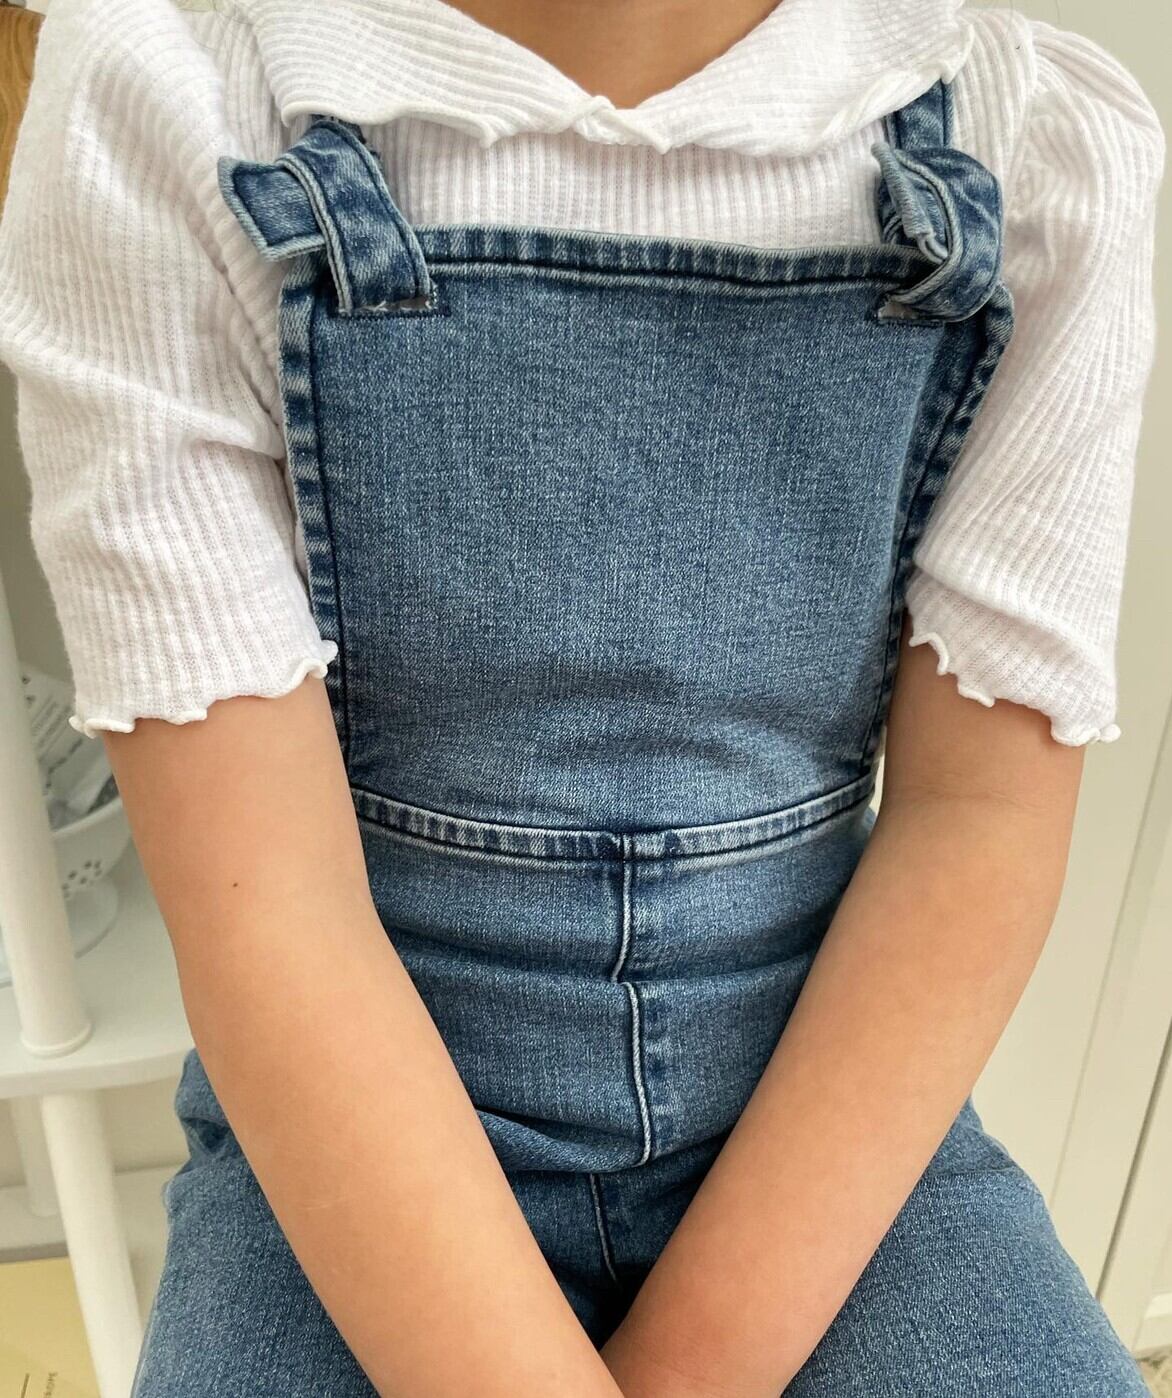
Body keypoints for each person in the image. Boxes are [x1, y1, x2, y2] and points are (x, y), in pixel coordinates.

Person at [0, 0, 1163, 1393]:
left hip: (823, 1132)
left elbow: (976, 821)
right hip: (356, 1136)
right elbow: (272, 910)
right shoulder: (166, 98)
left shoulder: (1039, 149)